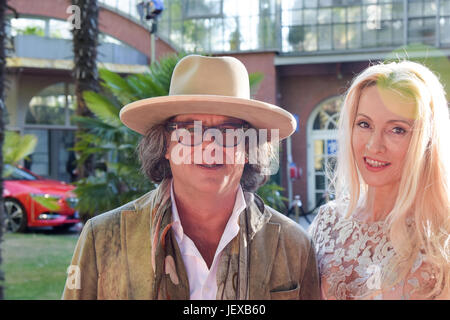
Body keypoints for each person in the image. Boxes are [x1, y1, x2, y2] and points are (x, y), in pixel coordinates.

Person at [62, 55, 320, 300]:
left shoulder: (293, 245)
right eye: (190, 130)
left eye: (229, 131)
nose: (211, 145)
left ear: (248, 149)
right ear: (165, 144)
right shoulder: (103, 238)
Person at [309, 60, 450, 299]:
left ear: (426, 141)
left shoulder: (442, 239)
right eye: (364, 124)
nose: (374, 145)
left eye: (397, 129)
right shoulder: (327, 222)